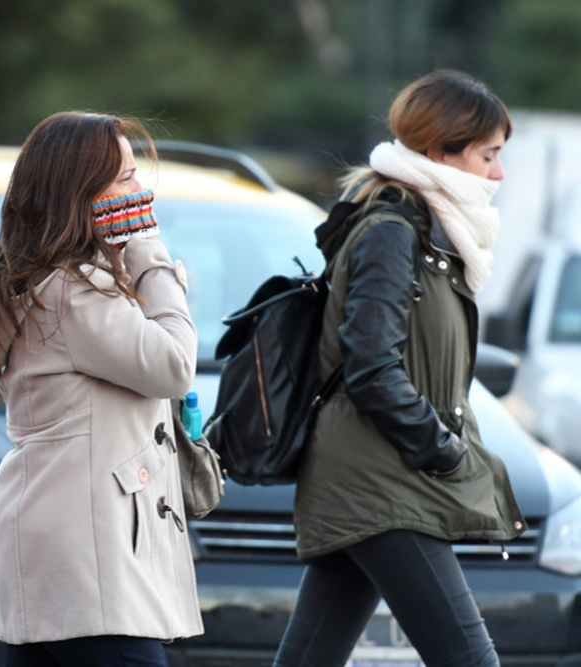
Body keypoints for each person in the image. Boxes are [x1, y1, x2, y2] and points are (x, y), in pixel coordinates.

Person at [273, 69, 526, 666]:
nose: (500, 173)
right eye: (489, 155)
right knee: (469, 659)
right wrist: (440, 447)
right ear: (443, 151)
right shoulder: (393, 230)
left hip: (370, 473)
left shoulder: (431, 235)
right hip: (383, 478)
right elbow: (370, 365)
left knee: (311, 656)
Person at [0, 111, 203, 666]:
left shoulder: (49, 283)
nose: (139, 190)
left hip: (64, 553)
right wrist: (150, 256)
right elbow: (173, 364)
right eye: (123, 176)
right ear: (80, 192)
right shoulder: (73, 293)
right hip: (88, 565)